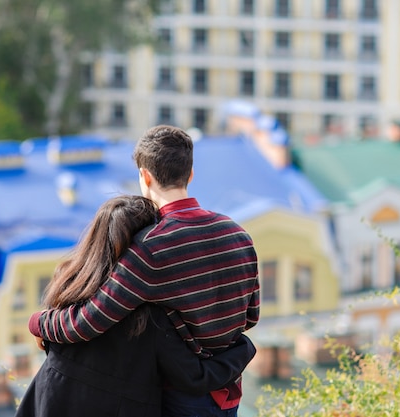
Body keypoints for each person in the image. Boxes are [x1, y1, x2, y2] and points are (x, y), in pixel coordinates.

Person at [29, 125, 260, 417]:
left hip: (182, 397)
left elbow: (86, 322)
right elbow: (251, 316)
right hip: (230, 392)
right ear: (190, 174)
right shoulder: (238, 234)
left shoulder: (150, 249)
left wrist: (38, 322)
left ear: (145, 176)